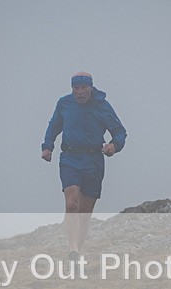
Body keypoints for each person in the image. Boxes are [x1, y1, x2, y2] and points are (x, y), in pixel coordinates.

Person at [41, 71, 127, 260]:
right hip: (70, 158)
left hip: (93, 161)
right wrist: (47, 147)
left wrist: (114, 145)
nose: (79, 92)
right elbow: (54, 126)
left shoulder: (102, 106)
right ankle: (72, 249)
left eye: (83, 88)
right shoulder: (64, 103)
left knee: (84, 213)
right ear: (72, 89)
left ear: (90, 88)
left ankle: (77, 252)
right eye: (76, 88)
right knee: (72, 204)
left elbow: (120, 132)